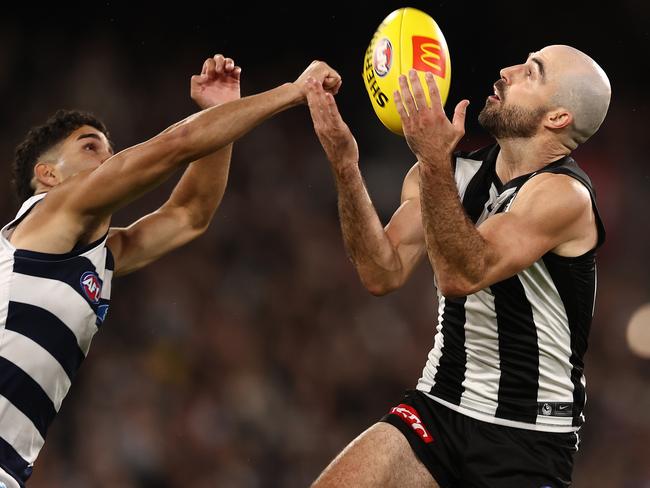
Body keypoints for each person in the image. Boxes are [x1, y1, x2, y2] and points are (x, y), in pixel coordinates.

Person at [0, 54, 341, 487]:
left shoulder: (96, 258)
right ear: (46, 175)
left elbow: (190, 214)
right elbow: (173, 146)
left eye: (111, 151)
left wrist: (218, 117)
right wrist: (296, 91)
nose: (108, 160)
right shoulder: (48, 211)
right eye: (89, 147)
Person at [306, 44, 610, 487]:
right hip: (439, 404)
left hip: (525, 437)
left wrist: (432, 160)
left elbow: (462, 274)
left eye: (532, 73)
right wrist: (344, 163)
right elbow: (381, 271)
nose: (506, 71)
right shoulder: (453, 172)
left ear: (557, 118)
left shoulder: (565, 197)